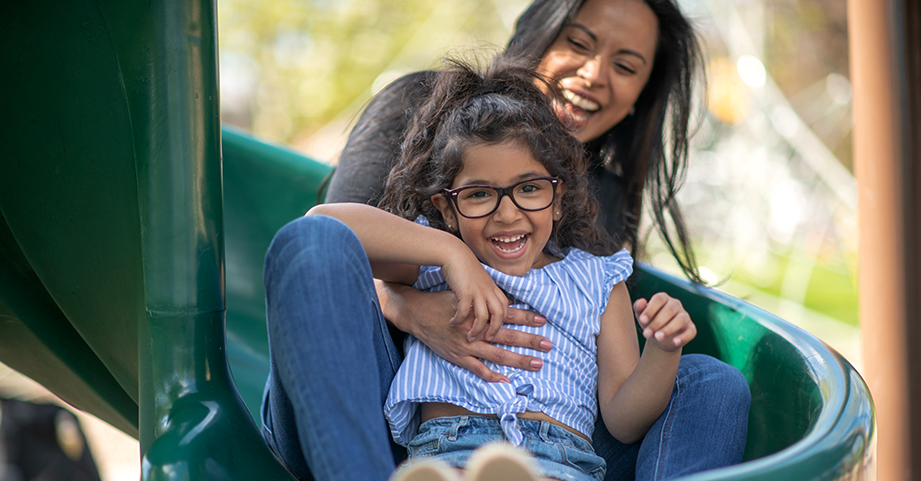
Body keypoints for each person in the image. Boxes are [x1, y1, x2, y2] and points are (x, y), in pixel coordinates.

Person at [262, 1, 751, 480]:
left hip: (553, 447)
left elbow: (615, 394)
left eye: (625, 66)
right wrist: (422, 288)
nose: (594, 74)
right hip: (380, 415)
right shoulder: (428, 115)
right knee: (311, 242)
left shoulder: (600, 223)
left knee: (709, 380)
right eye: (578, 42)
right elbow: (333, 258)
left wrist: (661, 349)